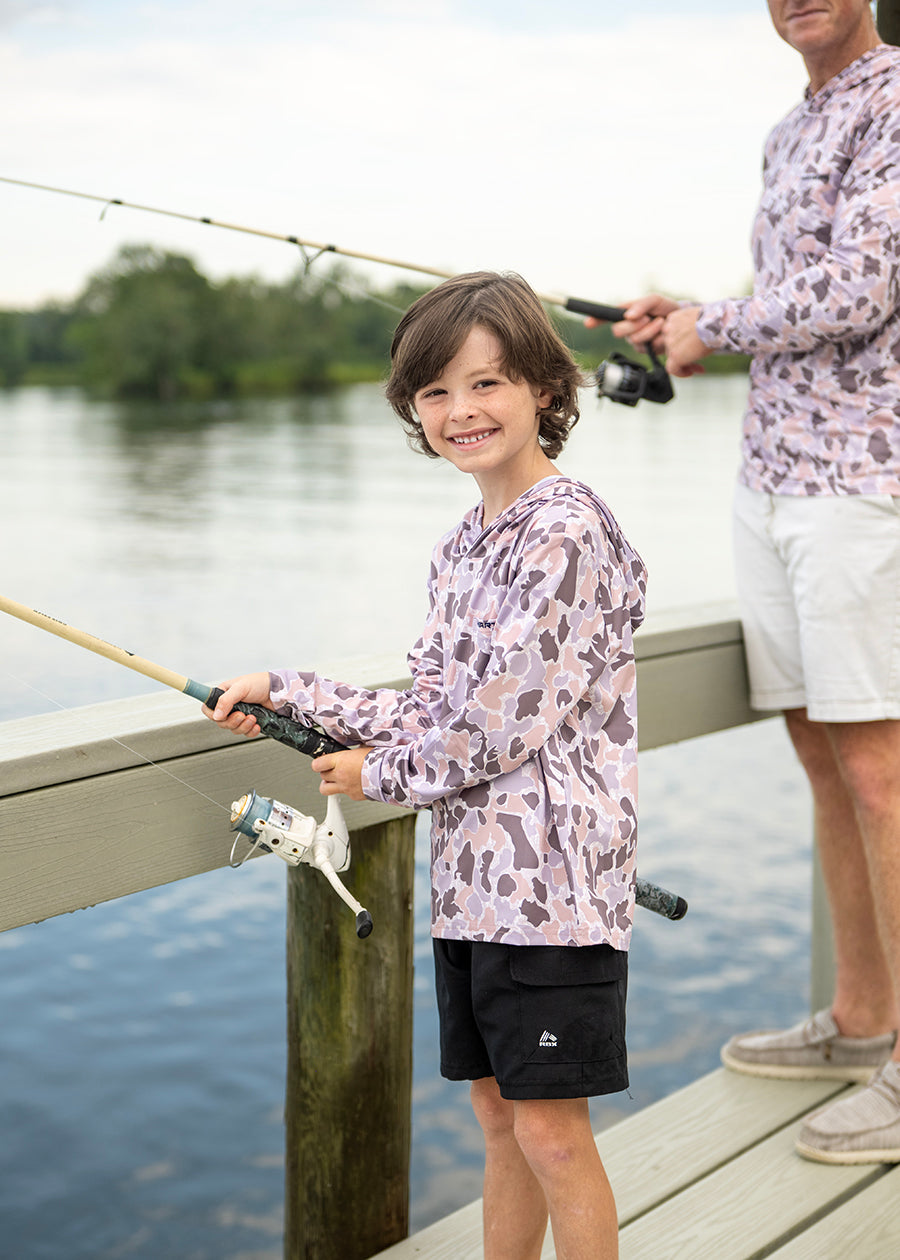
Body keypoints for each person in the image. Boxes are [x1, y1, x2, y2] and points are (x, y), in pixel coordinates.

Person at [206, 272, 646, 1259]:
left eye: (486, 384)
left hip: (550, 893)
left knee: (552, 1136)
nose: (462, 412)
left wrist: (380, 779)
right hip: (471, 889)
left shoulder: (566, 529)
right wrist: (287, 691)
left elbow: (501, 725)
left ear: (542, 387)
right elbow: (431, 706)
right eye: (437, 393)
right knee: (499, 1122)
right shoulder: (463, 546)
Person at [602, 0, 900, 1165]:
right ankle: (864, 1019)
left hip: (861, 484)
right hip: (768, 480)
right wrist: (686, 316)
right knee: (821, 756)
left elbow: (862, 290)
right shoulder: (785, 132)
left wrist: (706, 324)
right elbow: (787, 302)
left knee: (879, 767)